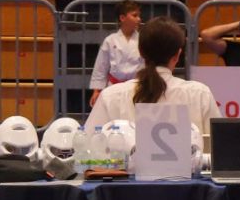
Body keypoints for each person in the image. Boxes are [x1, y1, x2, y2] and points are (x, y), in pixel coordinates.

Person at [86, 16, 220, 134]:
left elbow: (87, 145)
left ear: (140, 51)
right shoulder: (200, 94)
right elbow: (219, 145)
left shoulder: (111, 96)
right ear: (178, 54)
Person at [88, 0, 143, 108]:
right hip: (114, 87)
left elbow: (148, 65)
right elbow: (101, 66)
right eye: (135, 15)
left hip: (136, 88)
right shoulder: (110, 40)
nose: (139, 19)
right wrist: (97, 90)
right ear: (122, 18)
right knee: (114, 115)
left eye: (139, 16)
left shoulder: (143, 40)